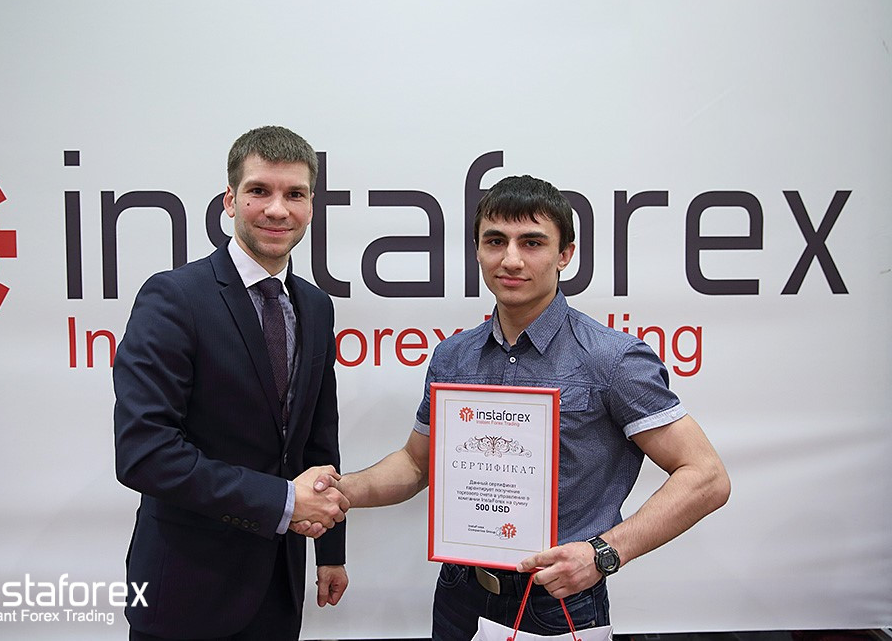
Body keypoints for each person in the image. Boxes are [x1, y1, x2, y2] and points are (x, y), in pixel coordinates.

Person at [299, 174, 730, 639]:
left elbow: (706, 476)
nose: (511, 259)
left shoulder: (612, 359)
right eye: (495, 241)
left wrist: (604, 553)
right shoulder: (454, 356)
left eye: (532, 242)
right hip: (459, 593)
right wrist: (340, 491)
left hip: (557, 603)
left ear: (565, 254)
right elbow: (416, 464)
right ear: (478, 251)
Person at [114, 125, 349, 640]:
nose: (277, 210)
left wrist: (330, 550)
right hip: (186, 589)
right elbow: (144, 453)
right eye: (259, 191)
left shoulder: (316, 306)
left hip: (279, 589)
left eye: (295, 194)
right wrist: (283, 501)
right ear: (229, 200)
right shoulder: (174, 297)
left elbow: (317, 440)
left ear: (311, 206)